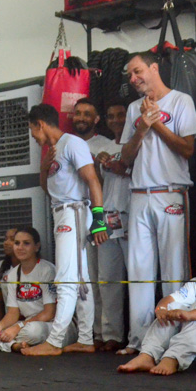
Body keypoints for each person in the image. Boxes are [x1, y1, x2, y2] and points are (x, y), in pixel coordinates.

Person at [118, 51, 196, 355]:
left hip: (171, 193)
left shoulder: (181, 101)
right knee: (139, 271)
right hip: (139, 194)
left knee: (174, 270)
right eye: (130, 74)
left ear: (154, 68)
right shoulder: (133, 109)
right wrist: (142, 126)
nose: (133, 78)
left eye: (137, 71)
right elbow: (125, 158)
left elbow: (188, 149)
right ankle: (139, 342)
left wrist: (156, 124)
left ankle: (172, 342)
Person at [22, 103, 108, 357]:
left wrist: (99, 219)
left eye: (32, 130)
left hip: (74, 211)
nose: (33, 136)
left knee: (66, 277)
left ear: (40, 124)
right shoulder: (53, 151)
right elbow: (47, 188)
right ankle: (85, 339)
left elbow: (92, 180)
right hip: (61, 211)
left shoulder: (72, 143)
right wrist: (43, 168)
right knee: (80, 279)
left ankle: (55, 340)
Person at [118, 233, 196, 375]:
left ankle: (173, 358)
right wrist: (162, 309)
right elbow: (171, 300)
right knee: (173, 308)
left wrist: (189, 315)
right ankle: (147, 355)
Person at [0, 227, 58, 352]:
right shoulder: (12, 274)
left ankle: (8, 343)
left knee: (33, 331)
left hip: (47, 324)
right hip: (25, 325)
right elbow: (12, 313)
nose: (20, 247)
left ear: (36, 247)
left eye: (26, 243)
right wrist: (1, 326)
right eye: (17, 243)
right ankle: (16, 345)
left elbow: (49, 313)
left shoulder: (47, 270)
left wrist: (17, 327)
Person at [74, 98, 114, 347]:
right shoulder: (67, 143)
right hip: (75, 215)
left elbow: (107, 183)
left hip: (101, 215)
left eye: (87, 114)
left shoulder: (106, 145)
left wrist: (96, 164)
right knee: (84, 278)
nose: (81, 118)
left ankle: (108, 333)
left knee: (105, 278)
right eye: (77, 113)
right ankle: (90, 334)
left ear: (97, 119)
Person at [92, 102, 132, 352]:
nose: (116, 120)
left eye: (121, 115)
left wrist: (123, 169)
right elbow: (96, 186)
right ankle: (111, 334)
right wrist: (97, 163)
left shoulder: (137, 144)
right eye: (111, 116)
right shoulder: (103, 148)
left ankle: (137, 335)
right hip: (107, 216)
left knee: (136, 277)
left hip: (131, 214)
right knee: (107, 278)